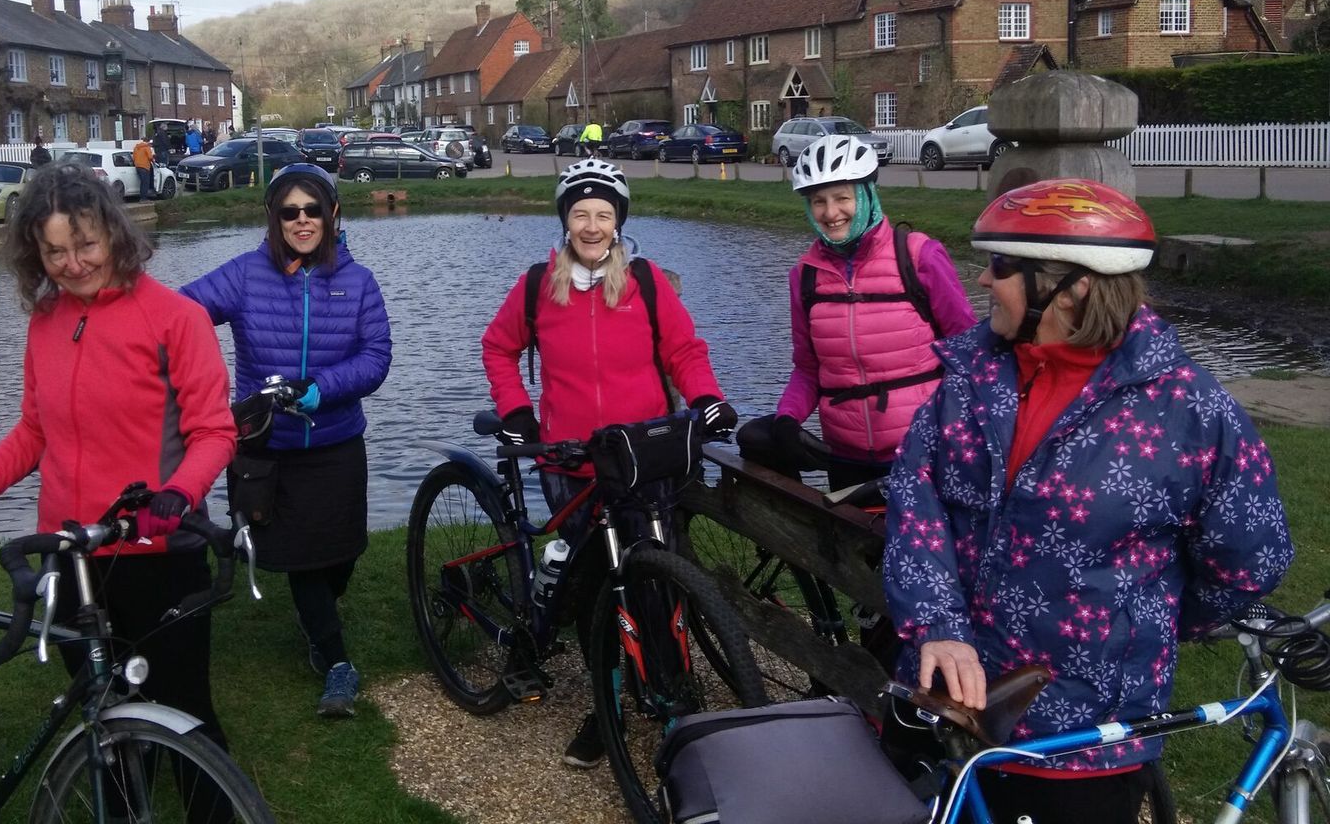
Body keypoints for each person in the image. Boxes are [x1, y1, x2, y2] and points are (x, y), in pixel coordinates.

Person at [883, 178, 1293, 824]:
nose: (982, 280)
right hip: (941, 705)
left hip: (1078, 740)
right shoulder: (971, 378)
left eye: (1001, 266)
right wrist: (938, 623)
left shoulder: (1187, 410)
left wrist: (1139, 623)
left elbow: (1250, 557)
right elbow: (916, 497)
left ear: (1071, 287)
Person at [0, 163, 236, 748]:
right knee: (105, 712)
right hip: (69, 551)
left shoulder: (176, 319)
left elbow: (214, 433)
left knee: (186, 714)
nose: (73, 264)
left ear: (115, 235)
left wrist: (178, 494)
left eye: (86, 245)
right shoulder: (46, 321)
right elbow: (35, 433)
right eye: (54, 251)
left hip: (155, 547)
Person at [481, 157, 736, 768]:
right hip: (570, 461)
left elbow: (683, 350)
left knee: (655, 578)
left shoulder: (645, 282)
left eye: (603, 214)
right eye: (580, 214)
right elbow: (498, 347)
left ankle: (673, 689)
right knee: (599, 587)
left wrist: (707, 398)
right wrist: (516, 411)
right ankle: (608, 702)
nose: (592, 226)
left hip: (642, 458)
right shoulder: (538, 285)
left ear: (618, 221)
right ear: (565, 220)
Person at [181, 163, 391, 719]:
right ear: (274, 218)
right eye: (289, 211)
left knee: (341, 555)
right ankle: (336, 661)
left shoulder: (358, 281)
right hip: (269, 449)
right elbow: (178, 316)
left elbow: (376, 358)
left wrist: (321, 389)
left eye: (312, 209)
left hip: (337, 442)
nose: (302, 220)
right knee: (304, 559)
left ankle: (317, 615)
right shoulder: (246, 274)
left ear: (332, 214)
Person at [743, 134, 975, 489]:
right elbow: (808, 368)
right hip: (846, 457)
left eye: (842, 197)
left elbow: (968, 353)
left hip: (922, 452)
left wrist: (956, 429)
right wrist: (787, 419)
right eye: (818, 201)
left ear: (867, 195)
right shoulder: (805, 277)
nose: (830, 213)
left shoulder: (918, 257)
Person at [132, 134, 155, 199]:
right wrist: (153, 160)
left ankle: (142, 197)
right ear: (148, 141)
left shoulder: (136, 147)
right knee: (145, 183)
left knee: (142, 182)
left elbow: (133, 157)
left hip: (137, 166)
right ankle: (143, 198)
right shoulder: (147, 147)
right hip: (145, 166)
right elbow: (150, 157)